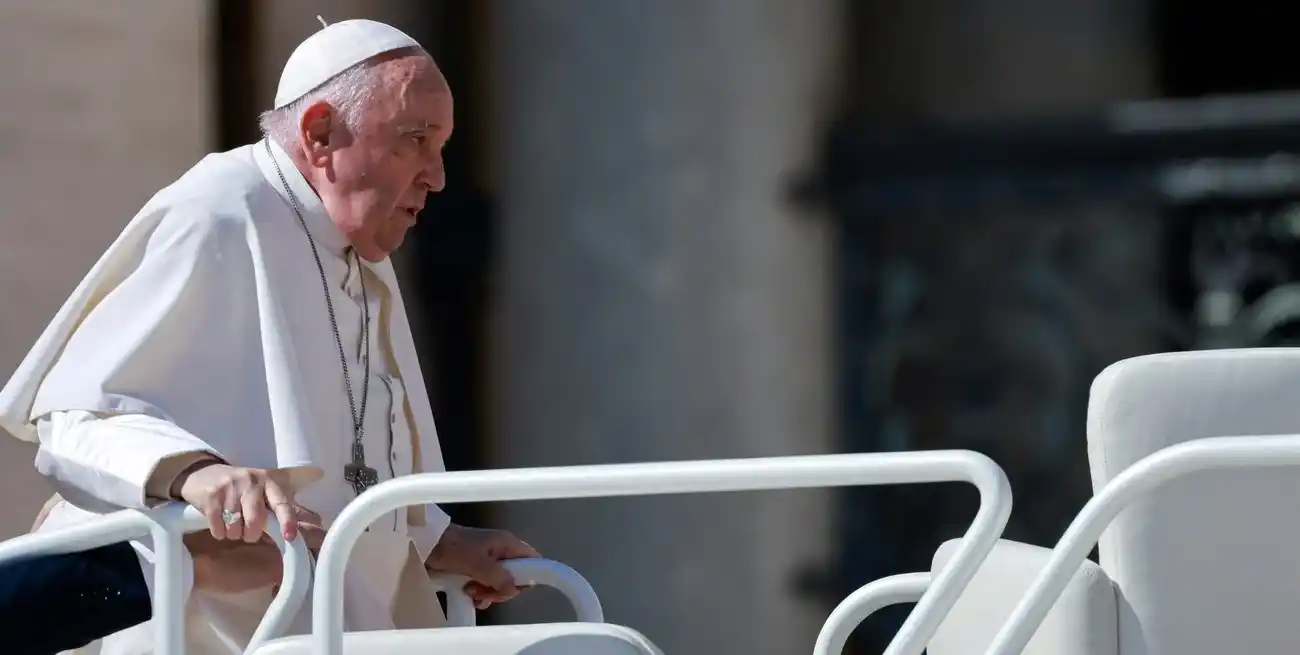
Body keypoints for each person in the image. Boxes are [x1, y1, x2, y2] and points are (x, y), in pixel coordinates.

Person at [0, 18, 536, 654]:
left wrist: (430, 541)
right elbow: (80, 416)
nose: (437, 176)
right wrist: (196, 474)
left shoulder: (354, 247)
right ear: (319, 134)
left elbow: (348, 466)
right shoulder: (223, 209)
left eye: (441, 147)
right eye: (415, 140)